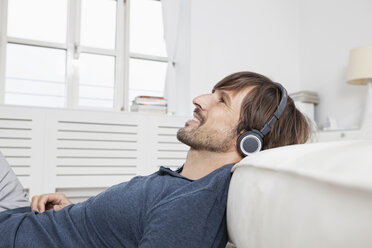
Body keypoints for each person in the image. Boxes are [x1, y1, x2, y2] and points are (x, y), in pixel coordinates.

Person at [0, 71, 310, 247]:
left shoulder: (193, 207)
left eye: (221, 101)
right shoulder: (184, 182)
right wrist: (78, 216)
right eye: (212, 93)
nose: (199, 100)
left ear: (250, 140)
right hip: (24, 218)